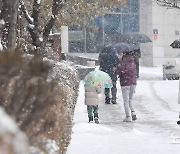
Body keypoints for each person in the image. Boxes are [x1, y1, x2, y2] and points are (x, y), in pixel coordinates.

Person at [116, 51, 137, 122]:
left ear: (124, 54)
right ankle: (133, 112)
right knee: (130, 99)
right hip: (133, 83)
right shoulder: (133, 62)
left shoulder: (122, 63)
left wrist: (116, 69)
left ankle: (128, 116)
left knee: (126, 101)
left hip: (125, 83)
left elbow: (120, 72)